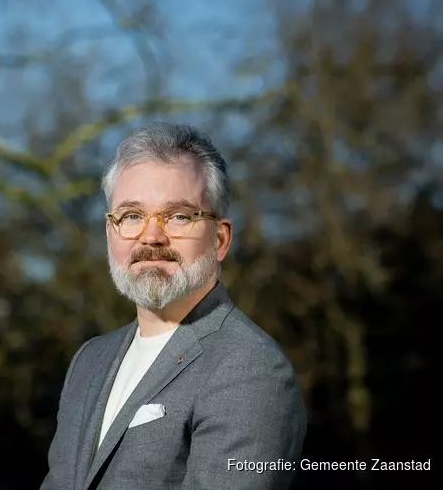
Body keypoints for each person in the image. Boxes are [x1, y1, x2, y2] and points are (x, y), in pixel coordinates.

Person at [39, 121, 307, 490]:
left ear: (220, 239)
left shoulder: (250, 368)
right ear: (109, 233)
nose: (151, 235)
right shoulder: (90, 360)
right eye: (132, 215)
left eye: (179, 216)